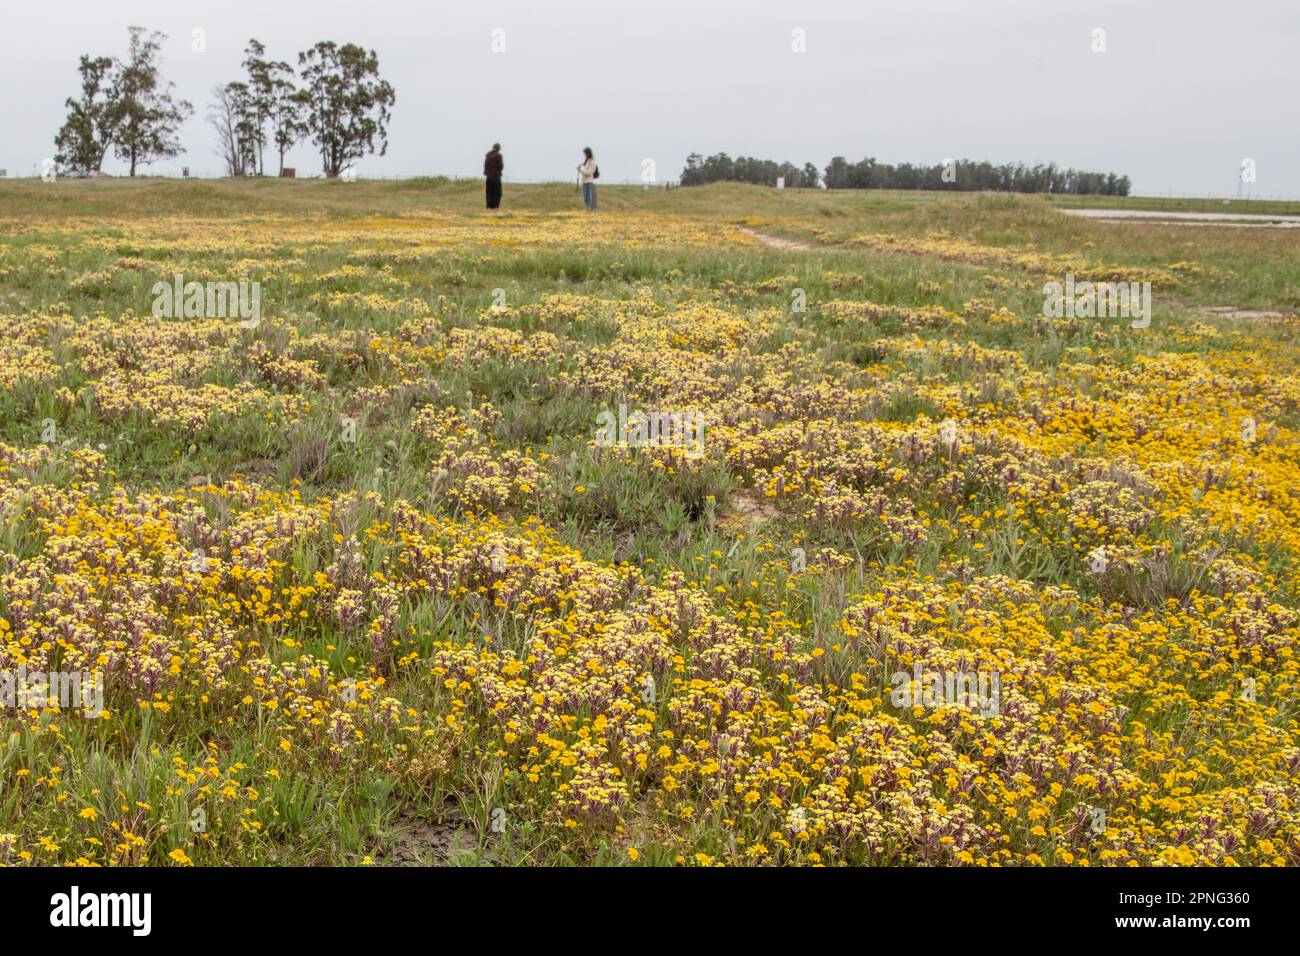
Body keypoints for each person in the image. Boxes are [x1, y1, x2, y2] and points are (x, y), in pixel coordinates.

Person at [484, 143, 504, 209]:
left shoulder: (488, 155)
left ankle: (489, 206)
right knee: (497, 192)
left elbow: (485, 166)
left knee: (489, 192)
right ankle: (495, 207)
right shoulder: (499, 155)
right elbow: (501, 166)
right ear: (498, 148)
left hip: (488, 176)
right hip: (496, 176)